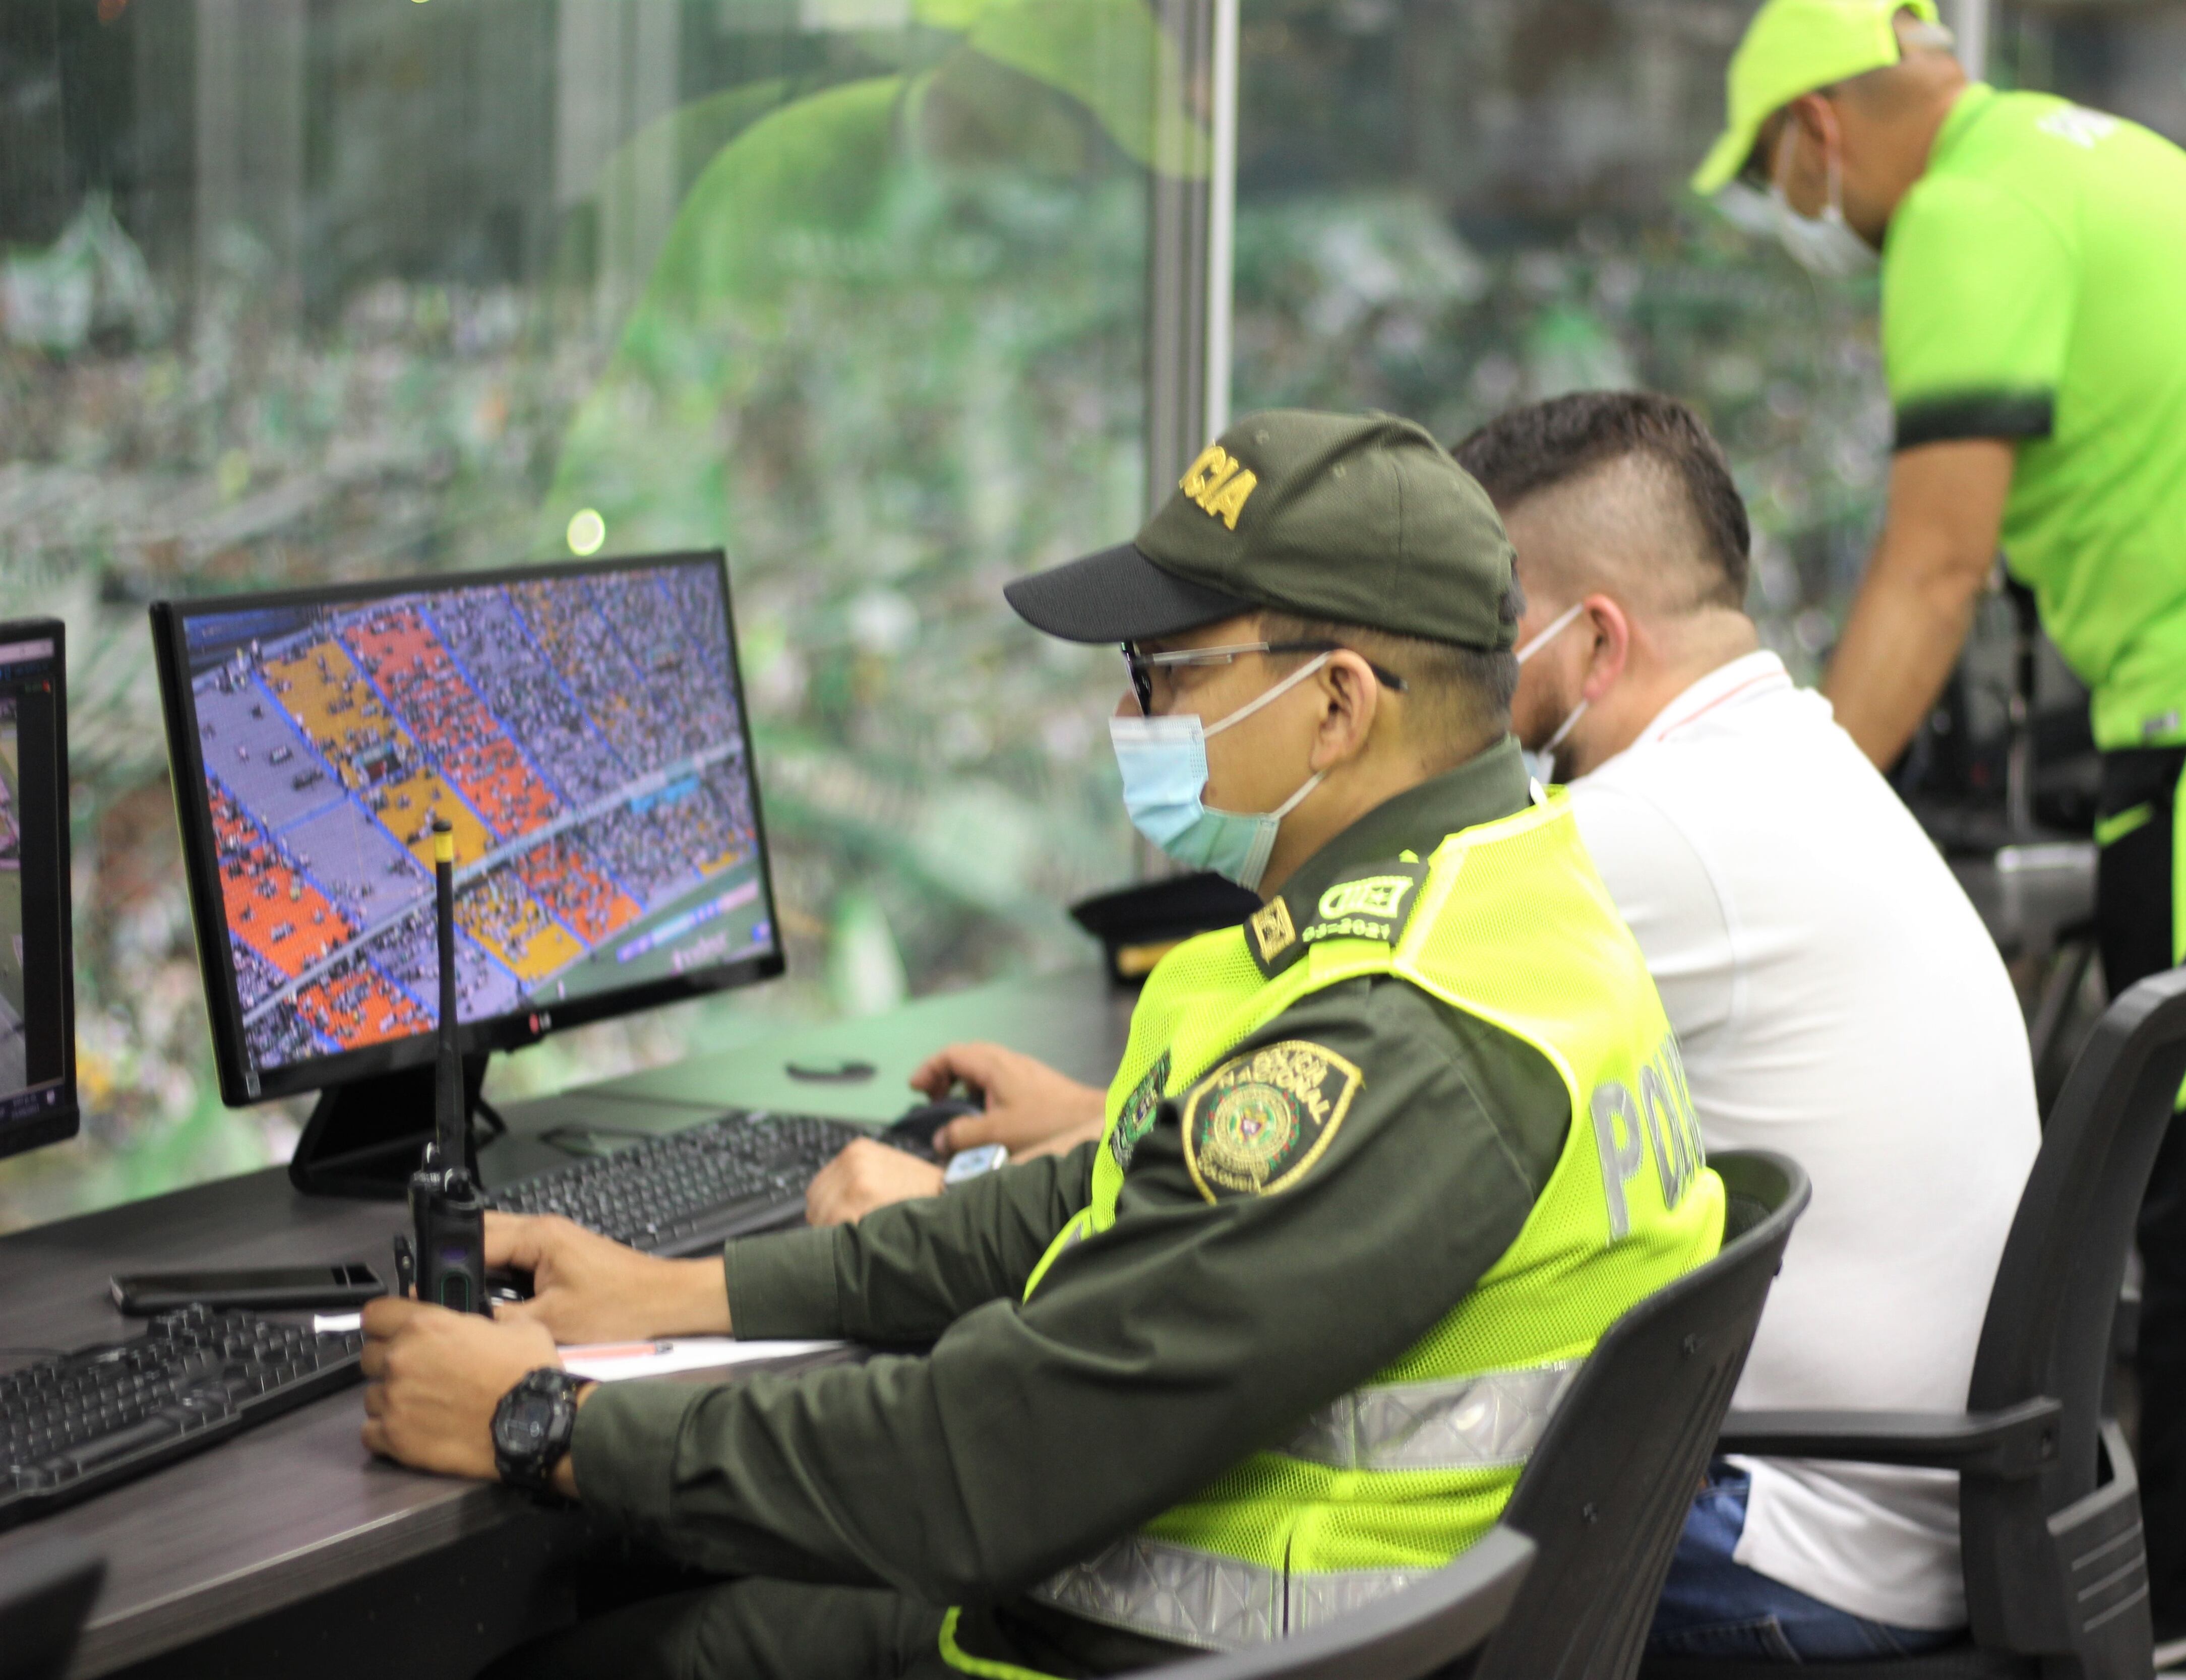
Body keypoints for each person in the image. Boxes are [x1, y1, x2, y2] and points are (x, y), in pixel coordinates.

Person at [354, 409, 1728, 1680]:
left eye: (1170, 669)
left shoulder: (1396, 1042)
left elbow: (981, 1461)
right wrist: (678, 1291)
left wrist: (540, 1420)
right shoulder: (1504, 900)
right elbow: (1103, 1194)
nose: (1133, 714)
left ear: (1337, 704)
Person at [1691, 2, 2186, 1673]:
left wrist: (1787, 795)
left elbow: (1932, 562)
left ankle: (2171, 1604)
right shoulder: (2086, 151)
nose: (1803, 209)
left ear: (1821, 126)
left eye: (1781, 171)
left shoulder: (1966, 217)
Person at [1452, 388, 2040, 1659]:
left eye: (1484, 632)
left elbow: (1368, 1067)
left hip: (1797, 1536)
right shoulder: (1800, 761)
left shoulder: (1651, 830)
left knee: (1359, 1535)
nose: (1467, 678)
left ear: (1594, 640)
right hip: (1934, 1504)